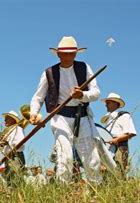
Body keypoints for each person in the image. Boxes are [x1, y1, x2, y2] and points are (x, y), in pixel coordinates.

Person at [30, 36, 104, 184]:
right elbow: (37, 97)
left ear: (76, 53)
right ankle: (63, 190)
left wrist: (82, 95)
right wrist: (34, 113)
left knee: (90, 156)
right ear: (58, 54)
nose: (68, 56)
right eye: (65, 53)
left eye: (71, 53)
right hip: (60, 117)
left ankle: (96, 190)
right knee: (65, 155)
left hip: (82, 116)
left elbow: (96, 93)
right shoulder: (49, 72)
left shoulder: (84, 67)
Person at [101, 93, 137, 176]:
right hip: (108, 147)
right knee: (106, 173)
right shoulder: (108, 119)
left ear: (115, 103)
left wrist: (116, 140)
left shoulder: (124, 116)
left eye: (108, 103)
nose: (106, 105)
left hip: (119, 147)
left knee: (119, 172)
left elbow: (131, 133)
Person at [0, 111, 26, 185]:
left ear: (13, 119)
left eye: (7, 118)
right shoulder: (8, 131)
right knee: (10, 180)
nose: (5, 120)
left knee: (16, 179)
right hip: (9, 157)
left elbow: (21, 143)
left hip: (16, 156)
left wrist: (7, 142)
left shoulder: (18, 129)